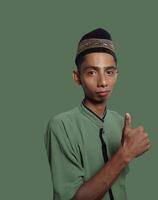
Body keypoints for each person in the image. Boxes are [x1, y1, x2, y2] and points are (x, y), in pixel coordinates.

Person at [44, 28, 151, 200]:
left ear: (117, 75)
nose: (102, 82)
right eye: (92, 72)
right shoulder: (61, 125)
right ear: (77, 77)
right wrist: (124, 154)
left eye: (109, 72)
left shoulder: (120, 122)